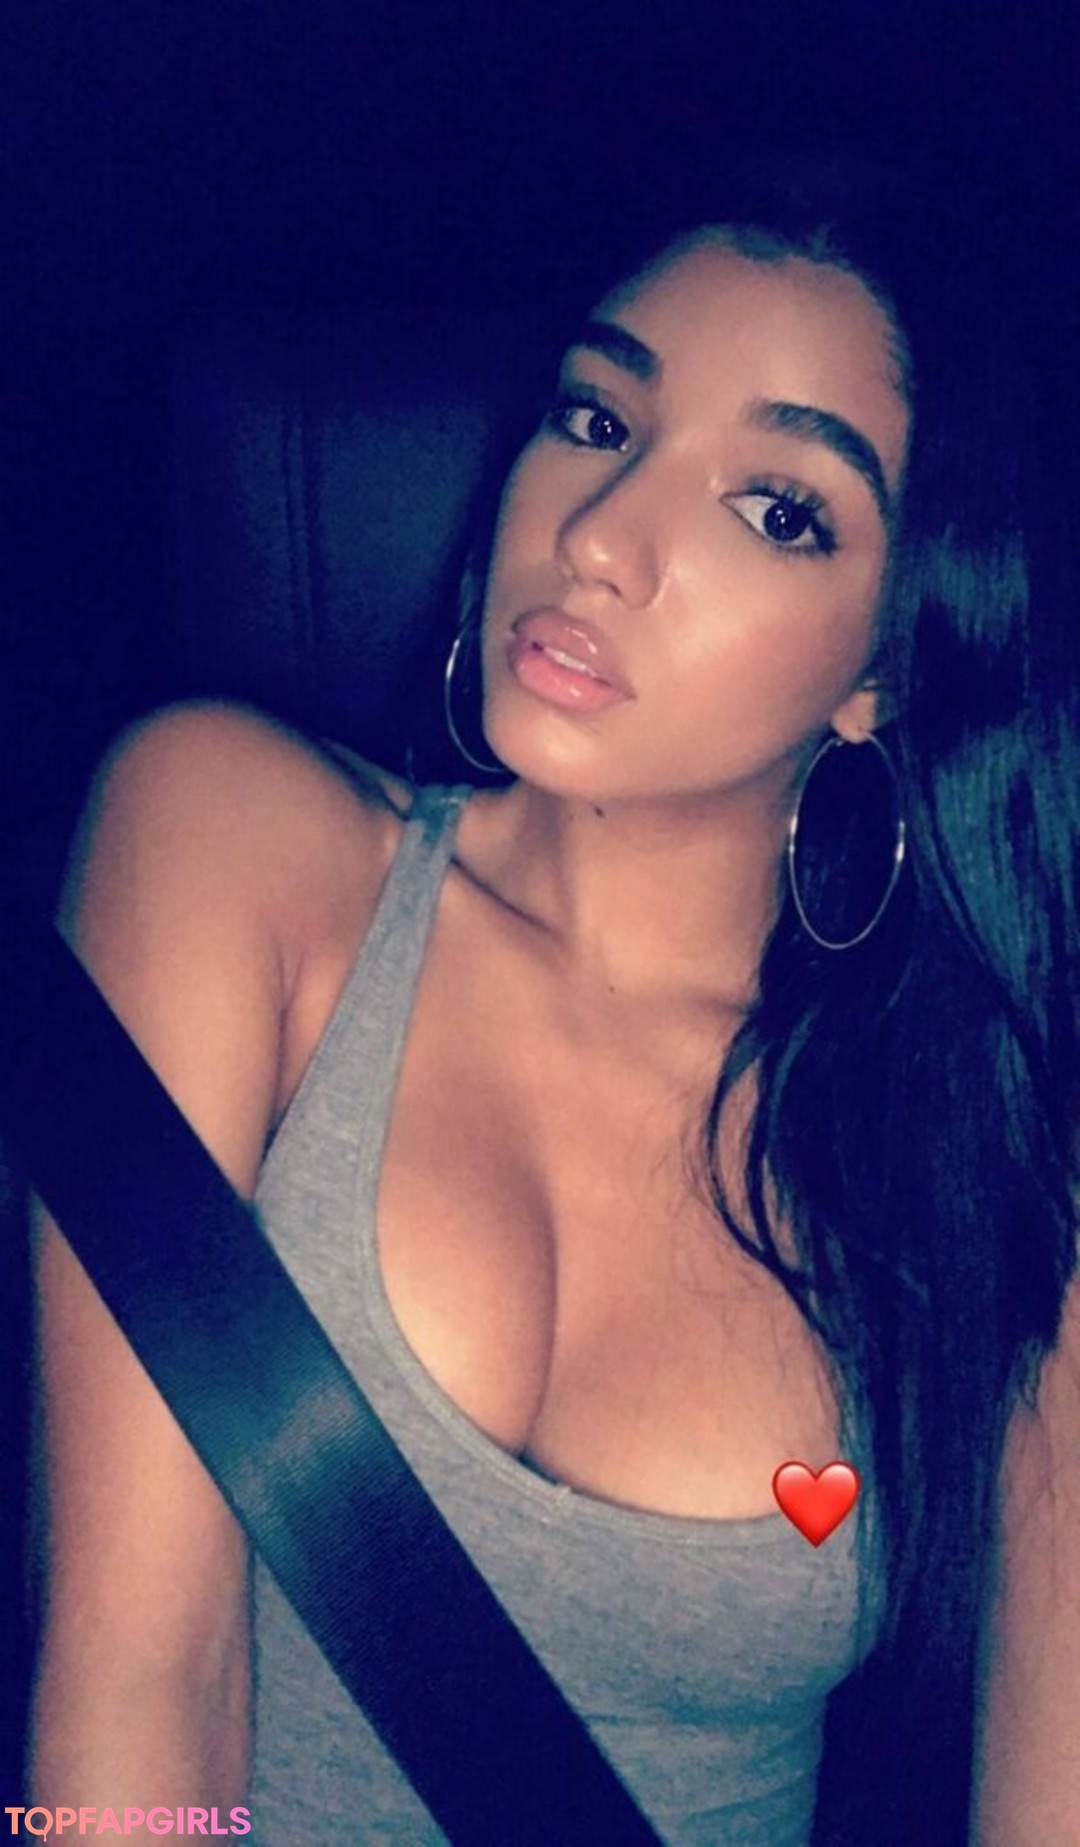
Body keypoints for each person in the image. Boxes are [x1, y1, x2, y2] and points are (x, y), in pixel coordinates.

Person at [28, 175, 1080, 1845]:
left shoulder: (974, 1145)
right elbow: (139, 1680)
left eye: (778, 509)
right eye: (598, 417)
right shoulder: (232, 843)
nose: (598, 536)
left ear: (889, 668)